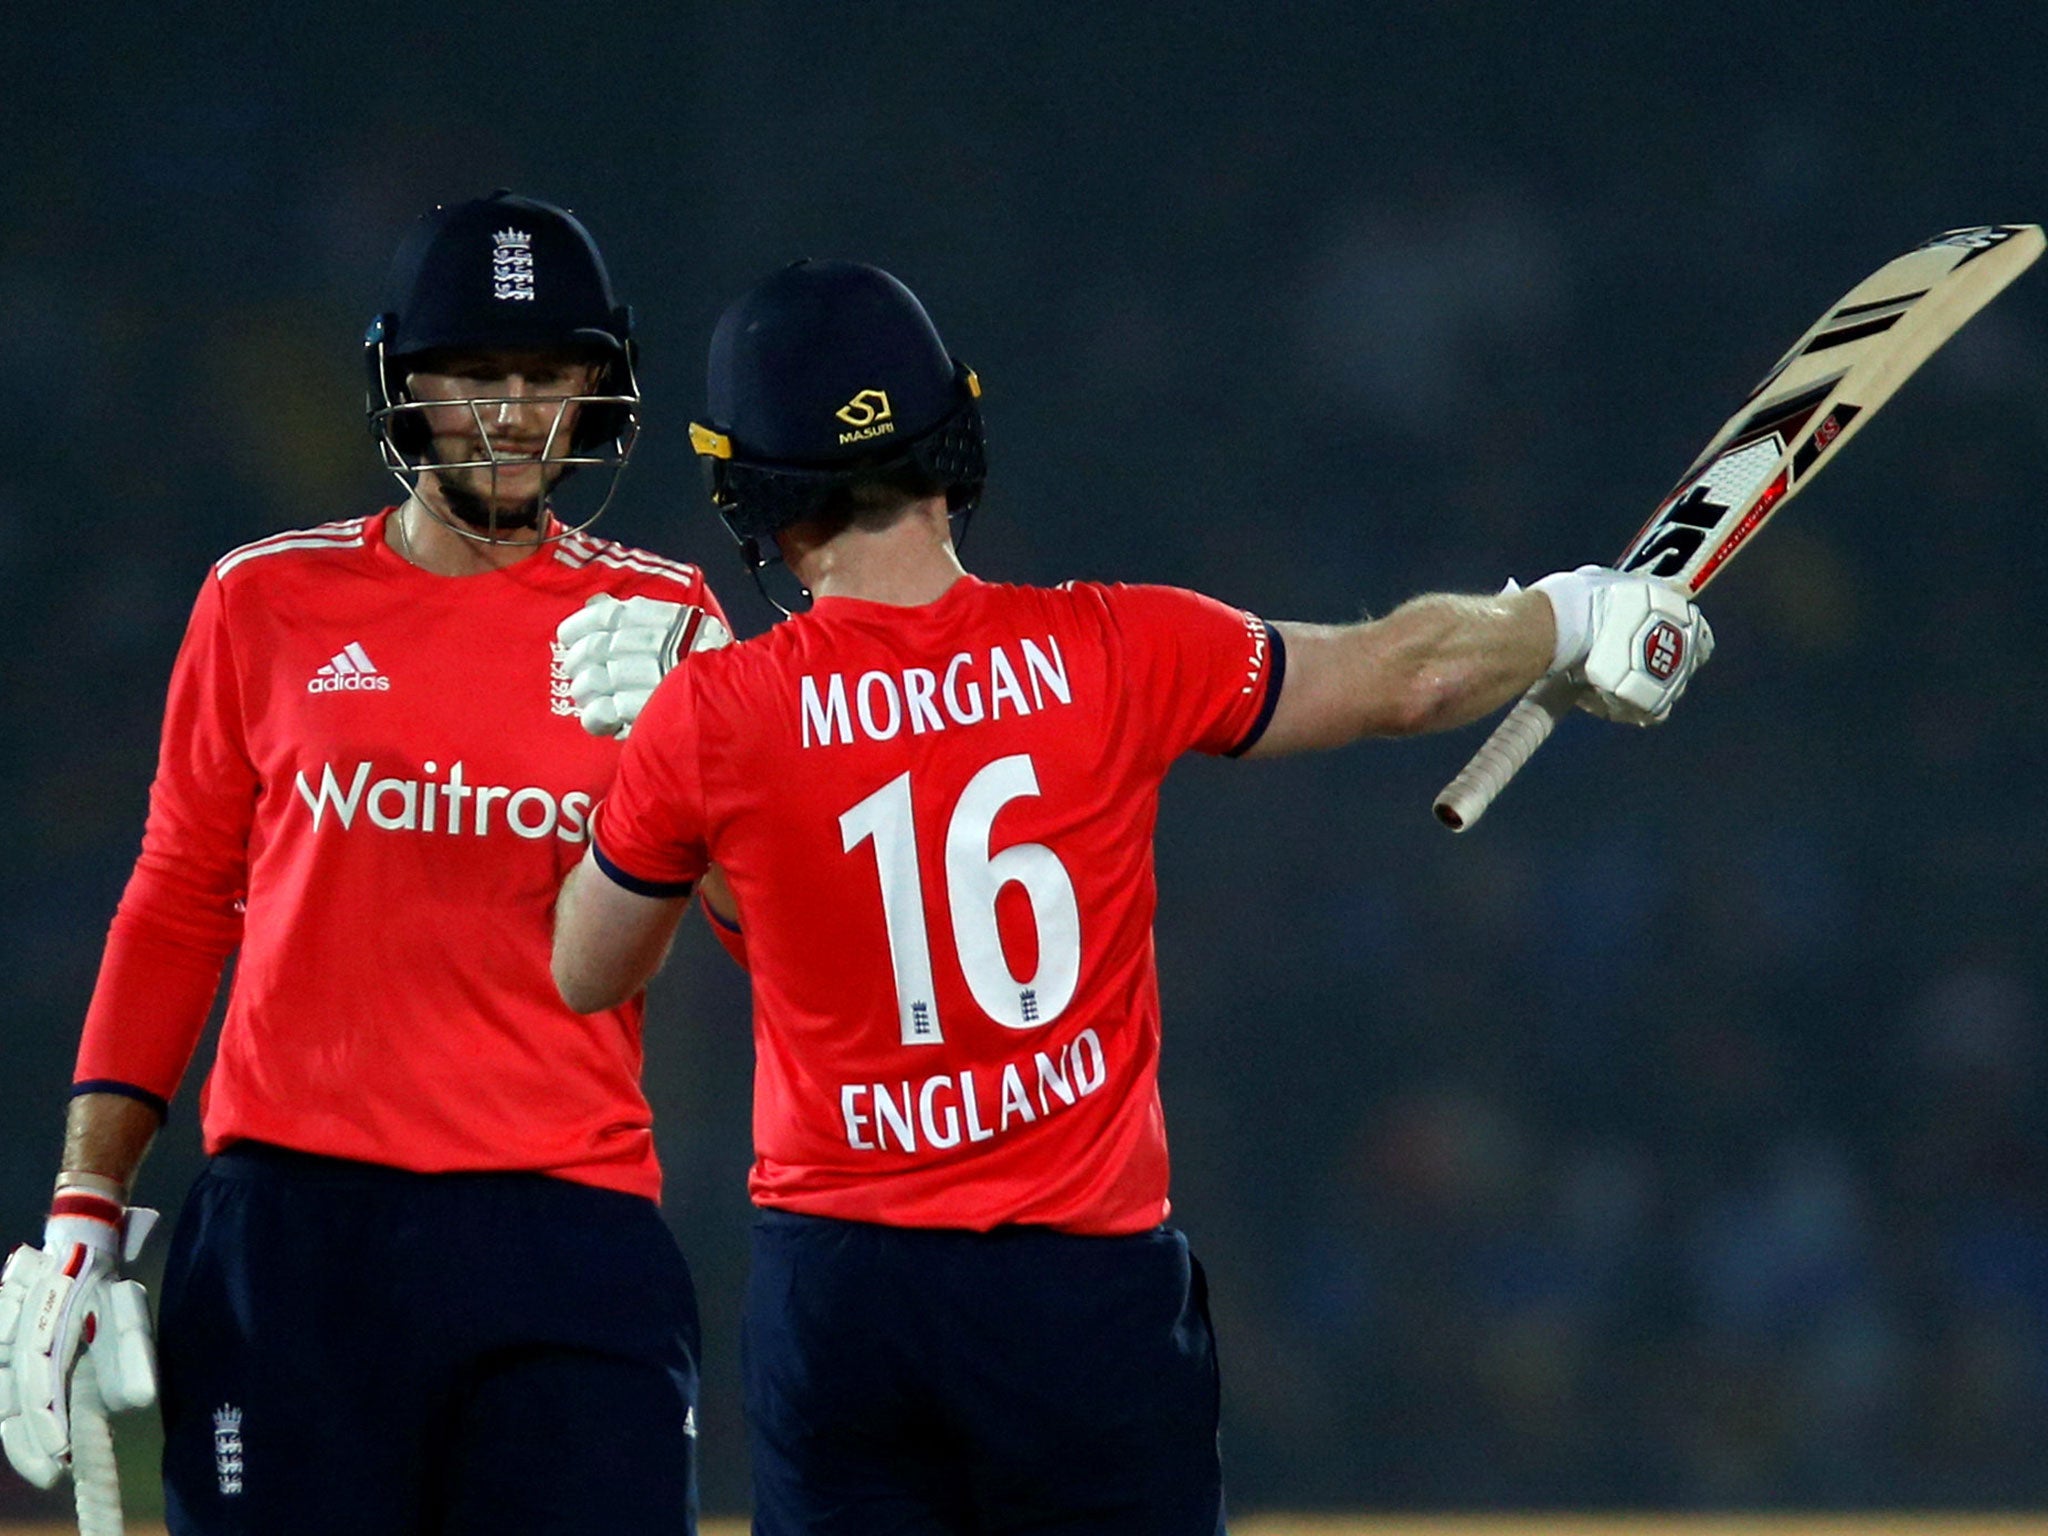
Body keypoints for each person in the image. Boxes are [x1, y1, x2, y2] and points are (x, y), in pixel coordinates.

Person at [549, 259, 1713, 1533]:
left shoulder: (712, 718)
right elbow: (1405, 678)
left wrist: (660, 790)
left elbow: (590, 971)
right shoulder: (1115, 648)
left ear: (753, 487)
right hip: (1082, 1287)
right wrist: (1562, 618)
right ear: (957, 440)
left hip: (844, 1291)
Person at [0, 191, 732, 1535]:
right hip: (298, 1233)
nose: (512, 414)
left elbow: (775, 925)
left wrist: (717, 750)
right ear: (407, 385)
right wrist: (84, 1204)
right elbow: (175, 903)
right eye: (474, 376)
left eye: (545, 377)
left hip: (567, 1230)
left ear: (592, 393)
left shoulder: (668, 622)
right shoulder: (262, 602)